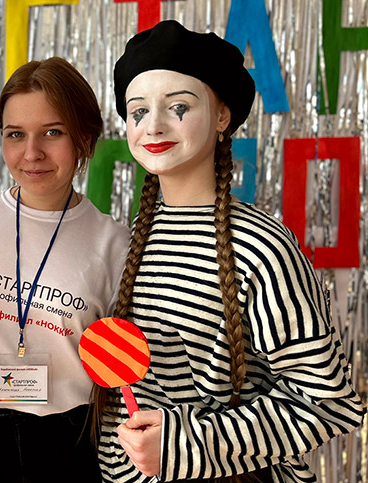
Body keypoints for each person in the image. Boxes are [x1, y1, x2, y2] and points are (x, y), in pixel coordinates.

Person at [94, 20, 365, 483]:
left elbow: (330, 403)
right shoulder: (131, 238)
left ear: (222, 116)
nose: (153, 125)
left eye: (178, 106)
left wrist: (183, 445)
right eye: (138, 111)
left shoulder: (262, 246)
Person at [0, 57, 129, 482]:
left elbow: (123, 368)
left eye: (52, 132)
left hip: (70, 443)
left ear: (84, 137)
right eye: (15, 134)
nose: (32, 153)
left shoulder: (114, 244)